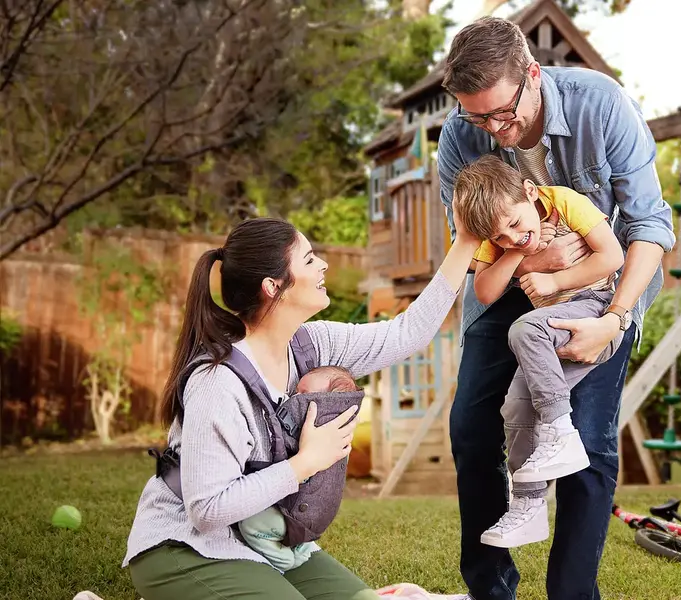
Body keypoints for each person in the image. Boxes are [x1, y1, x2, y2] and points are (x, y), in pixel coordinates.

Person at [437, 16, 675, 600]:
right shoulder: (459, 137)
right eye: (478, 117)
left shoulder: (601, 104)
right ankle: (490, 591)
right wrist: (533, 266)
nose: (494, 129)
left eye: (503, 111)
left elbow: (647, 224)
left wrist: (613, 319)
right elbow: (471, 257)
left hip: (603, 286)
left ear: (533, 75)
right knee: (471, 427)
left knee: (587, 440)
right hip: (513, 286)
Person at [123, 216, 480, 600]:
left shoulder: (313, 344)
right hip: (187, 546)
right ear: (273, 286)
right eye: (309, 259)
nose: (324, 264)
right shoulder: (217, 382)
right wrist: (306, 462)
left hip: (269, 543)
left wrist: (465, 242)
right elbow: (206, 510)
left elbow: (405, 334)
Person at [452, 155, 625, 549]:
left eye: (515, 224)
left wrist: (554, 281)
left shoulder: (563, 201)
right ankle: (528, 509)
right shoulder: (501, 239)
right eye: (499, 238)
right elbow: (484, 291)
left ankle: (560, 431)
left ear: (530, 192)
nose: (512, 236)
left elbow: (611, 256)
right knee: (515, 410)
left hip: (593, 310)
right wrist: (518, 254)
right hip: (552, 335)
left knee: (525, 327)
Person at [237, 366, 361, 573]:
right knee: (299, 532)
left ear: (328, 400)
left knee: (251, 524)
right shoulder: (340, 436)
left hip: (293, 513)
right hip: (319, 518)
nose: (294, 396)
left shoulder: (307, 426)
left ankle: (281, 561)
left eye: (304, 394)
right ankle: (301, 549)